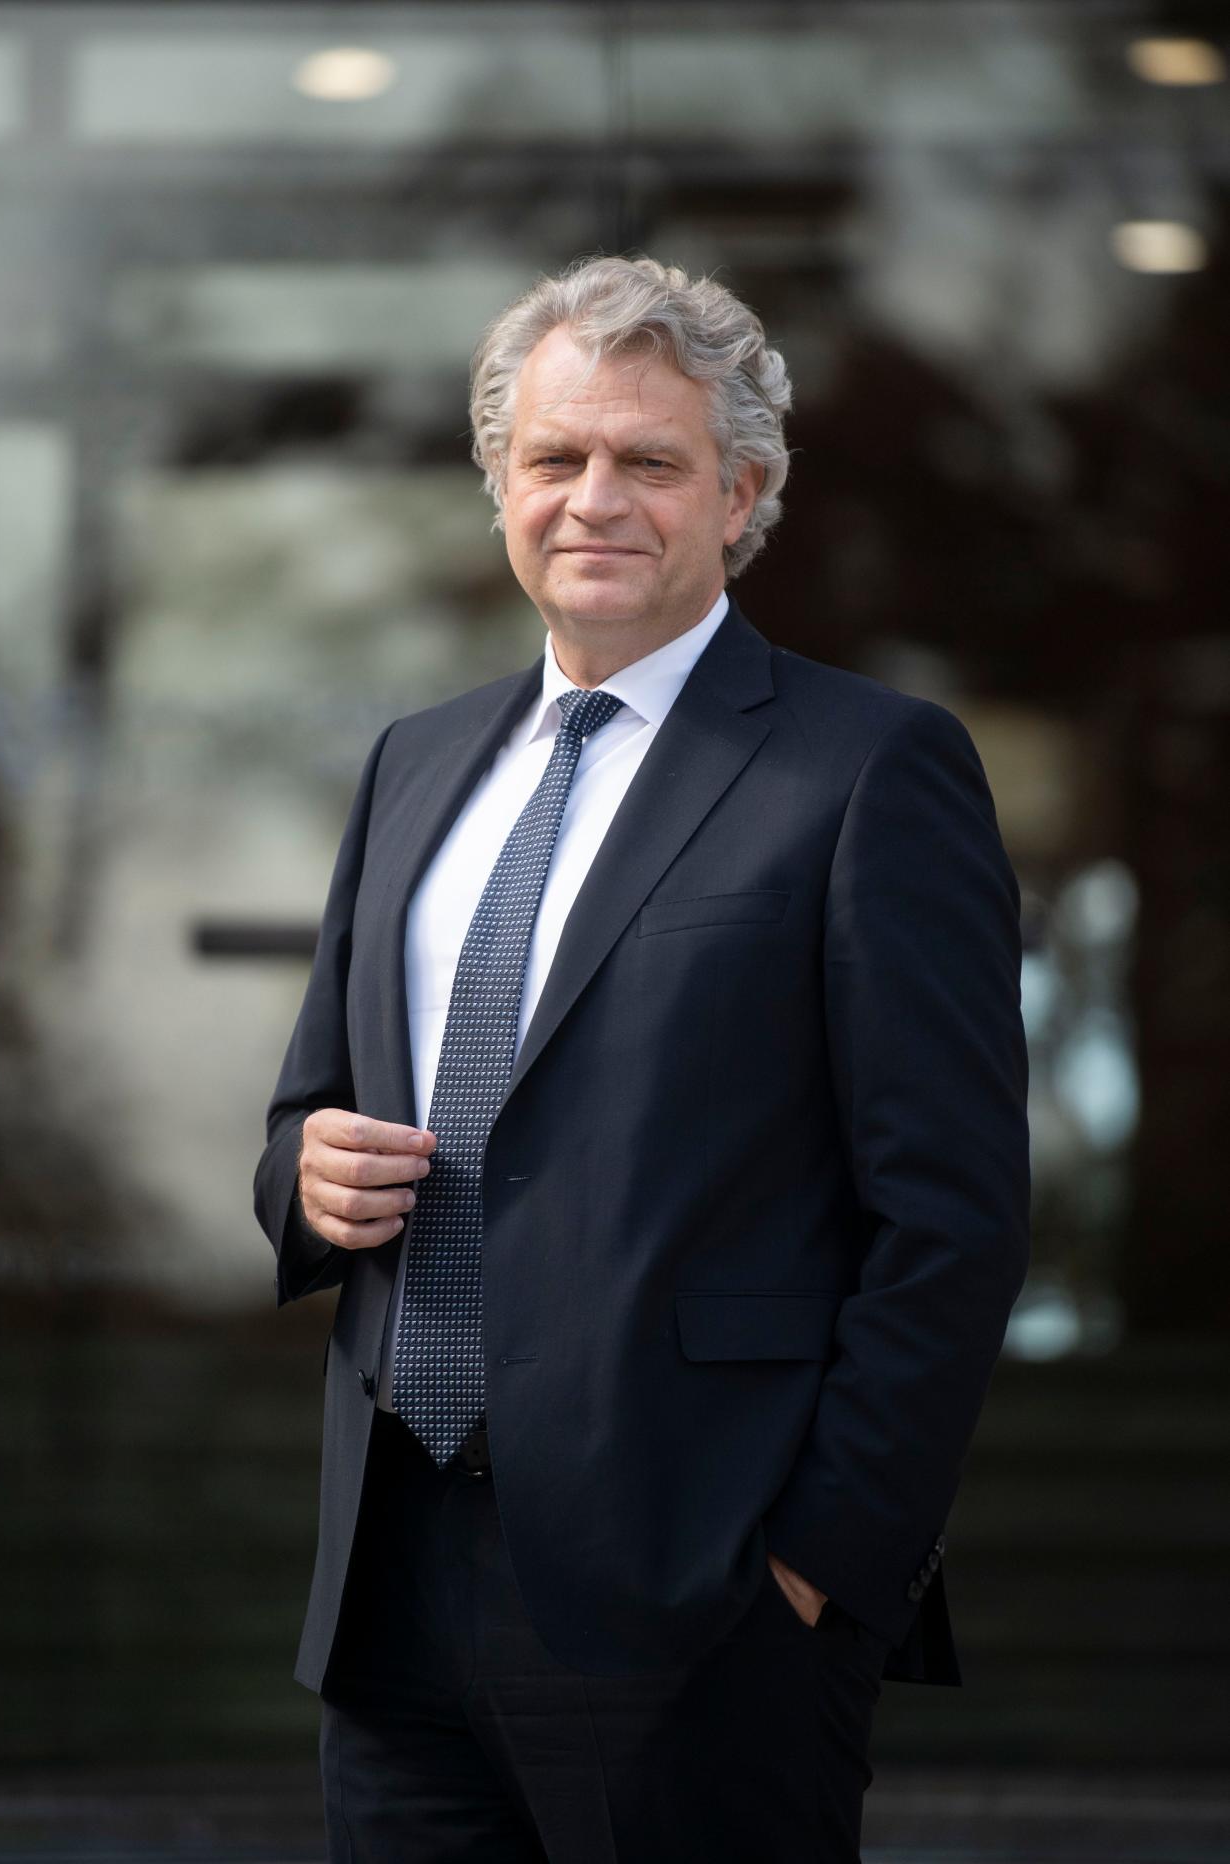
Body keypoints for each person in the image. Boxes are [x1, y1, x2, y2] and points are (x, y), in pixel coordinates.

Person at [254, 254, 1030, 1863]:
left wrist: (818, 1572)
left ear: (741, 494)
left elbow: (948, 1220)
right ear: (499, 486)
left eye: (649, 462)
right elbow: (304, 1113)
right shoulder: (414, 763)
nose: (592, 497)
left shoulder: (869, 770)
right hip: (394, 1586)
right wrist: (306, 1181)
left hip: (704, 1599)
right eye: (554, 458)